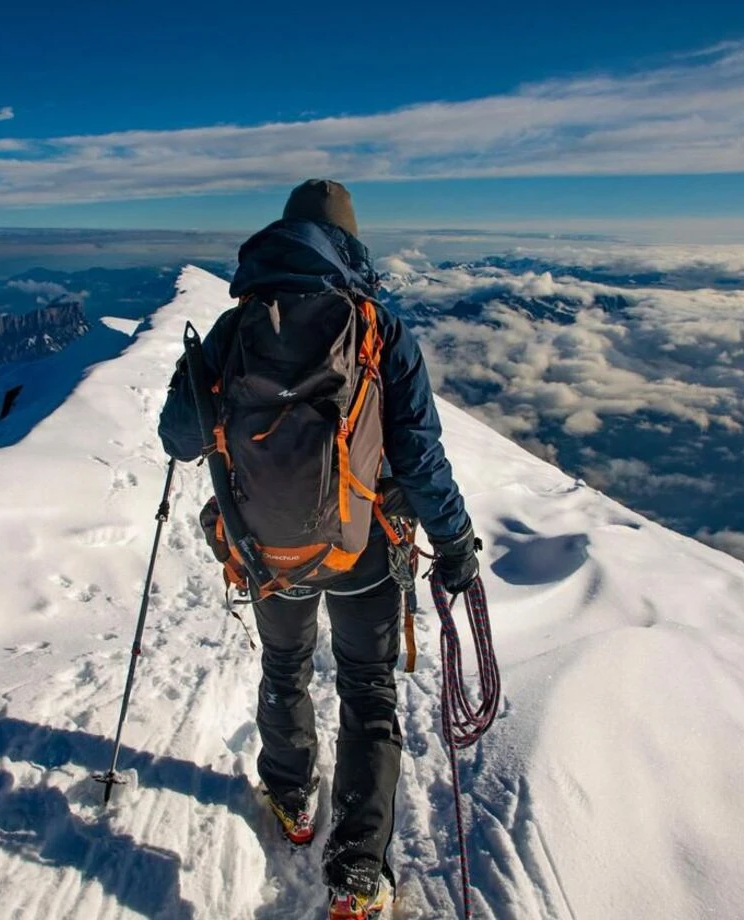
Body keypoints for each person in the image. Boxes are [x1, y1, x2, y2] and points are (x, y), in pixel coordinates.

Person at [158, 179, 478, 918]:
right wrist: (454, 541)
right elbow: (420, 456)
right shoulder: (377, 327)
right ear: (350, 243)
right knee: (368, 689)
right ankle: (358, 877)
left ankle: (294, 798)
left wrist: (198, 384)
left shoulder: (233, 329)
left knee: (286, 665)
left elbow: (178, 440)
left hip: (267, 549)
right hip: (368, 546)